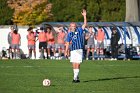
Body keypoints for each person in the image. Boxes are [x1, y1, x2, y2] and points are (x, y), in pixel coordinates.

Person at [65, 9, 87, 83]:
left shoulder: (79, 30)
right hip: (73, 50)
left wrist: (84, 16)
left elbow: (84, 24)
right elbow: (67, 43)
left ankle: (74, 78)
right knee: (74, 63)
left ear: (76, 26)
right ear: (70, 27)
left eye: (74, 26)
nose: (73, 27)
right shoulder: (69, 34)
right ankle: (76, 78)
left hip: (79, 49)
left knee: (77, 63)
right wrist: (66, 51)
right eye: (72, 26)